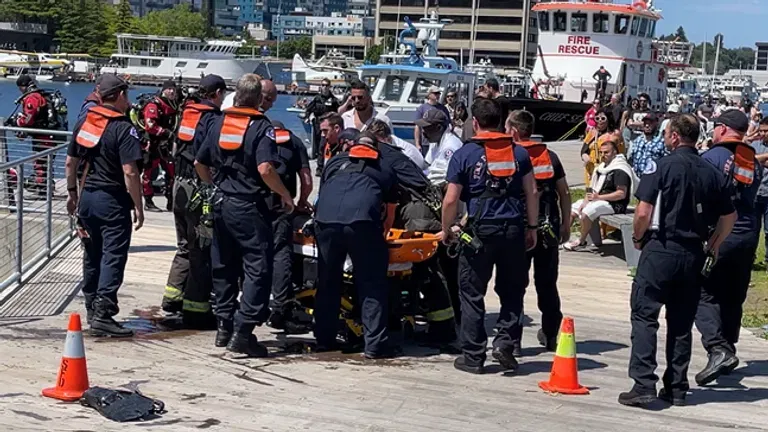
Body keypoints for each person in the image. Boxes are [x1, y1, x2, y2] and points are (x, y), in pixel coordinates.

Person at [619, 113, 736, 408]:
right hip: (694, 251)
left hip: (662, 247)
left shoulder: (661, 165)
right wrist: (714, 244)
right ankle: (677, 387)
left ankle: (644, 383)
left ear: (673, 137)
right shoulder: (711, 171)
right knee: (681, 323)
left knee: (645, 315)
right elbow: (730, 216)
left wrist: (637, 238)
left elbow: (643, 211)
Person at [195, 74, 295, 357]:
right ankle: (243, 331)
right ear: (258, 99)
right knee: (257, 267)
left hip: (220, 203)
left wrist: (212, 185)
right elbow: (265, 168)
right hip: (249, 205)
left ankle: (224, 327)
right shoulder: (260, 126)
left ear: (237, 95)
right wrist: (285, 193)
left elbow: (199, 162)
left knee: (224, 265)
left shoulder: (217, 122)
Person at [442, 98, 539, 374]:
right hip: (513, 230)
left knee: (472, 293)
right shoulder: (519, 153)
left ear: (475, 123)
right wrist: (532, 228)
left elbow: (451, 200)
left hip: (478, 233)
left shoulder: (464, 153)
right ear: (500, 122)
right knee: (512, 290)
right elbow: (532, 192)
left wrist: (447, 229)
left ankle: (473, 355)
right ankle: (505, 344)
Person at [64, 75, 144, 337]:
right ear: (119, 95)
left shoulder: (86, 121)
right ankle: (104, 313)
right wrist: (138, 205)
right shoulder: (124, 128)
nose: (128, 100)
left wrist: (72, 193)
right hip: (112, 201)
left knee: (92, 254)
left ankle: (91, 307)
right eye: (126, 95)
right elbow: (130, 171)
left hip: (87, 199)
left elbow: (70, 163)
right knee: (113, 256)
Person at [313, 132, 399, 358]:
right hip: (362, 222)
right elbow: (389, 213)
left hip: (326, 220)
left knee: (328, 281)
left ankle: (324, 339)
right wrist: (383, 234)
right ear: (376, 148)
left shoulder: (335, 162)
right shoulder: (385, 167)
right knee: (371, 283)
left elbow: (322, 194)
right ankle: (375, 345)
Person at [694, 110, 762, 386]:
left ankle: (717, 348)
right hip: (748, 234)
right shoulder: (750, 160)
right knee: (734, 293)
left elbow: (702, 196)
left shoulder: (711, 158)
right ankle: (728, 349)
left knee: (702, 291)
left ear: (722, 129)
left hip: (721, 233)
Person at [161, 74, 226, 327]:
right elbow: (208, 158)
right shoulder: (213, 118)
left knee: (185, 246)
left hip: (179, 186)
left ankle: (172, 298)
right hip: (199, 191)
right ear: (218, 93)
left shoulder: (187, 113)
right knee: (202, 248)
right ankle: (197, 309)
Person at [506, 110, 570, 353]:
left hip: (520, 230)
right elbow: (564, 192)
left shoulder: (511, 157)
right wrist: (565, 224)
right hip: (548, 229)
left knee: (515, 286)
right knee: (547, 284)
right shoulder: (550, 156)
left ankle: (513, 340)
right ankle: (552, 334)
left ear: (513, 131)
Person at [265, 92, 313, 333]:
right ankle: (281, 305)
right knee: (281, 252)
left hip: (254, 204)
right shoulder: (294, 142)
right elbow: (306, 178)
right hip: (282, 205)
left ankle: (251, 304)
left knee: (253, 253)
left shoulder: (259, 135)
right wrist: (302, 201)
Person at [566, 139, 636, 251]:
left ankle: (581, 240)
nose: (603, 155)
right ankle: (563, 238)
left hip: (615, 204)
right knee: (572, 209)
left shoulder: (620, 169)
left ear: (615, 153)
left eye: (606, 152)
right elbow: (591, 188)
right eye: (601, 152)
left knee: (587, 213)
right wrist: (585, 201)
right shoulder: (601, 168)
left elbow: (621, 194)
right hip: (598, 200)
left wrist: (598, 198)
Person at [13, 75, 56, 196]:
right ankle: (46, 188)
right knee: (45, 161)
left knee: (40, 161)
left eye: (20, 88)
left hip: (42, 134)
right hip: (47, 134)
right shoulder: (41, 95)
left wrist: (17, 122)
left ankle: (42, 190)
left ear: (23, 86)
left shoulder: (32, 97)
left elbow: (29, 119)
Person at [141, 80, 179, 212]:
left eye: (174, 89)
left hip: (166, 146)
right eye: (169, 89)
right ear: (164, 90)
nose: (172, 91)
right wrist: (166, 132)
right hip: (152, 145)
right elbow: (150, 126)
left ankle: (171, 200)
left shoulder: (173, 105)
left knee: (172, 173)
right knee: (148, 174)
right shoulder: (154, 105)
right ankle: (149, 201)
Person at [417, 109, 463, 188]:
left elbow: (441, 177)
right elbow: (427, 165)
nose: (423, 133)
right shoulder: (435, 141)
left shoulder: (450, 146)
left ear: (439, 128)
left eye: (426, 129)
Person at [305, 78, 341, 175]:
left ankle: (329, 166)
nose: (324, 87)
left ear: (329, 87)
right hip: (318, 125)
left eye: (326, 85)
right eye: (323, 85)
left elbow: (338, 112)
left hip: (329, 127)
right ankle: (320, 168)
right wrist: (307, 117)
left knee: (327, 145)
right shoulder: (317, 99)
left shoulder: (333, 100)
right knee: (320, 147)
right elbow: (309, 109)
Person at [581, 108, 623, 185]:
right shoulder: (592, 132)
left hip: (607, 167)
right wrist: (585, 156)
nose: (600, 120)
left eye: (603, 118)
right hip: (591, 168)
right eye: (597, 118)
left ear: (608, 119)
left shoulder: (615, 134)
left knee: (603, 190)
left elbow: (621, 153)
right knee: (590, 191)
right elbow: (584, 150)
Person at [414, 85, 452, 156]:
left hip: (440, 142)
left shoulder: (443, 108)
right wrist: (417, 144)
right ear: (429, 95)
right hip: (426, 142)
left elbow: (448, 124)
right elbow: (417, 127)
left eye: (439, 93)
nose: (438, 95)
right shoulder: (421, 108)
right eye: (435, 93)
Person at [629, 113, 668, 177]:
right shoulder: (637, 140)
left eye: (650, 123)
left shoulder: (662, 142)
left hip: (653, 180)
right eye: (645, 123)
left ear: (656, 124)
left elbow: (666, 163)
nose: (647, 126)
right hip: (637, 179)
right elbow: (631, 159)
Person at [751, 117, 768, 264]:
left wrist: (759, 159)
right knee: (753, 229)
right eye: (761, 130)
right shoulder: (755, 144)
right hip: (755, 193)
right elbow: (751, 159)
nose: (763, 133)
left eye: (766, 131)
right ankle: (750, 257)